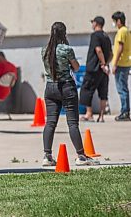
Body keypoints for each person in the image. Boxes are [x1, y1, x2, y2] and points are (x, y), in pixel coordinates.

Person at [41, 22, 99, 167]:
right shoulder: (67, 49)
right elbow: (76, 67)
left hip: (50, 87)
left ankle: (47, 156)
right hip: (66, 87)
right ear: (64, 33)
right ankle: (80, 155)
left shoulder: (44, 50)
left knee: (50, 123)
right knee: (72, 123)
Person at [80, 16, 112, 122]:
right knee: (103, 92)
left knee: (86, 90)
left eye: (93, 22)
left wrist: (102, 63)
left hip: (94, 68)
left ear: (96, 23)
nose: (92, 25)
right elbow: (111, 54)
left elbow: (98, 50)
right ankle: (101, 116)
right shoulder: (106, 36)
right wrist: (106, 65)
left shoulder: (95, 36)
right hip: (104, 70)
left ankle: (89, 114)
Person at [111, 11, 131, 121]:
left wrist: (115, 64)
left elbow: (120, 48)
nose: (114, 24)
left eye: (114, 21)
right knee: (124, 88)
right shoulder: (127, 31)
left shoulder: (121, 32)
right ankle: (126, 111)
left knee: (122, 89)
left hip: (121, 64)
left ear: (119, 21)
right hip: (126, 63)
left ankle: (125, 112)